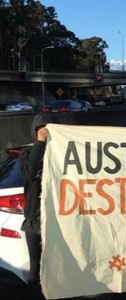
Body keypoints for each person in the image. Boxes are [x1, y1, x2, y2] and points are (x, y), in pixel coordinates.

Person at [19, 113, 53, 298]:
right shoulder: (26, 154)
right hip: (35, 221)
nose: (46, 133)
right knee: (35, 271)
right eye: (41, 129)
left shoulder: (60, 153)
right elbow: (30, 174)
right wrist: (40, 143)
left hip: (56, 222)